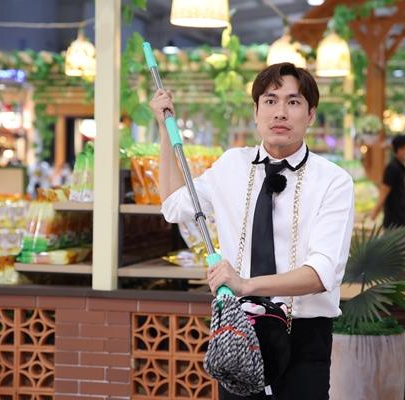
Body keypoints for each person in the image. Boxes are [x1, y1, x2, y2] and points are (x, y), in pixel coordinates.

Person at [151, 62, 355, 400]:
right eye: (270, 101)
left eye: (293, 102)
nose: (280, 112)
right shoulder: (231, 165)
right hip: (238, 327)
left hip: (304, 334)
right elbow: (174, 205)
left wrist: (245, 285)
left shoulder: (333, 181)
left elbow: (322, 273)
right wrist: (163, 127)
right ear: (256, 112)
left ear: (311, 115)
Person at [370, 134, 405, 228]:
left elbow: (403, 191)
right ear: (400, 149)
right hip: (394, 221)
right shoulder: (392, 168)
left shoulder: (401, 167)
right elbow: (383, 192)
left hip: (402, 219)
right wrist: (374, 214)